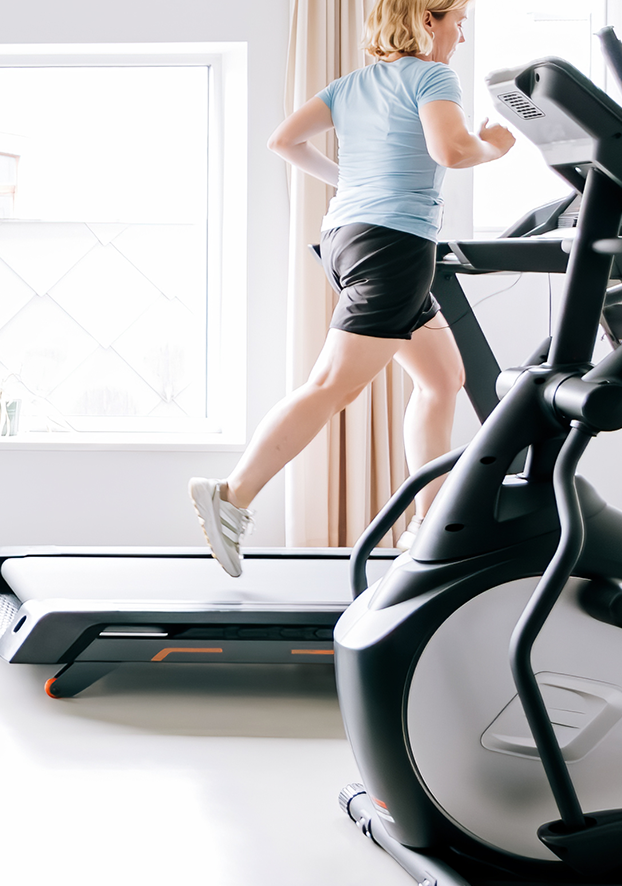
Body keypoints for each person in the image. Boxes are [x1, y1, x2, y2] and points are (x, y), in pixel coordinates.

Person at [190, 0, 514, 575]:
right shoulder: (434, 75)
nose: (461, 38)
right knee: (332, 386)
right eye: (457, 23)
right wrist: (495, 145)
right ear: (427, 20)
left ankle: (429, 521)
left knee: (443, 380)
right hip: (393, 247)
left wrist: (357, 184)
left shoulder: (353, 83)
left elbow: (283, 141)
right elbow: (453, 150)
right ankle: (231, 496)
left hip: (349, 236)